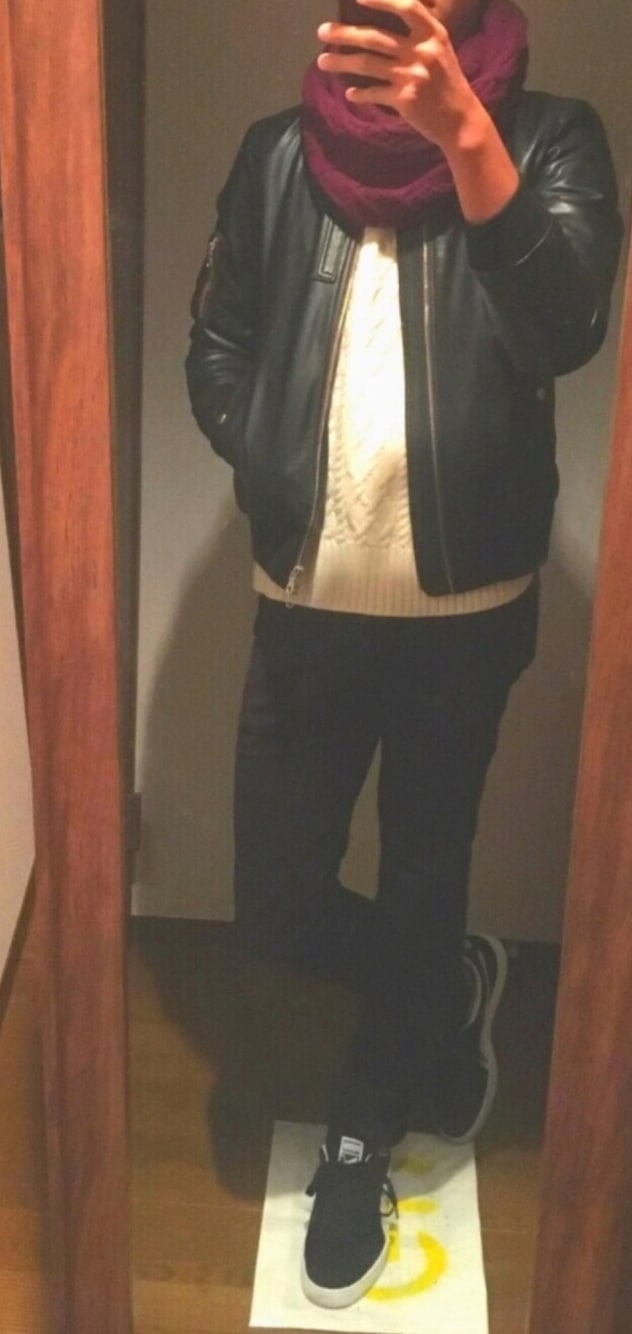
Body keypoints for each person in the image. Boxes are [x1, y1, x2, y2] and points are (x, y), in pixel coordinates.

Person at [185, 0, 623, 1311]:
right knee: (277, 898)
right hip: (304, 602)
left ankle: (362, 1136)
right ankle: (440, 978)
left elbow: (565, 329)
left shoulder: (551, 141)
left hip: (465, 613)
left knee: (427, 870)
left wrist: (467, 139)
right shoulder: (275, 155)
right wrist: (272, 456)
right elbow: (218, 343)